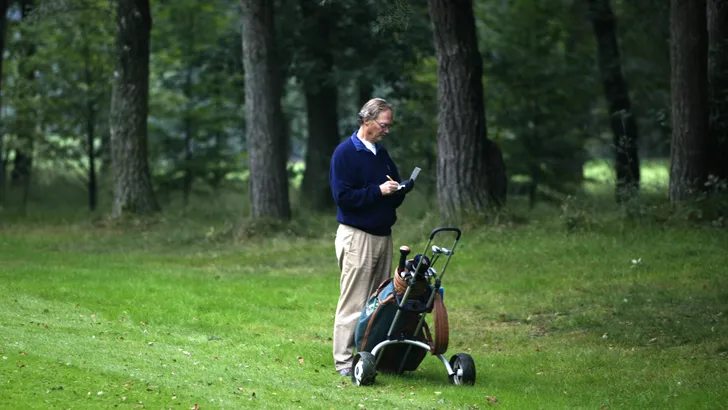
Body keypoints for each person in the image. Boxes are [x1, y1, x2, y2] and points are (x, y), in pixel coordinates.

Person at [328, 97, 415, 376]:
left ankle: (371, 357)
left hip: (383, 236)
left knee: (379, 303)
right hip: (357, 237)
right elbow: (343, 197)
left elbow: (391, 196)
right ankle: (344, 362)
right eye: (383, 125)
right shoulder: (345, 153)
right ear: (367, 120)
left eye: (389, 126)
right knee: (354, 302)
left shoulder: (381, 153)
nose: (387, 130)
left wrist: (399, 190)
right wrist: (378, 191)